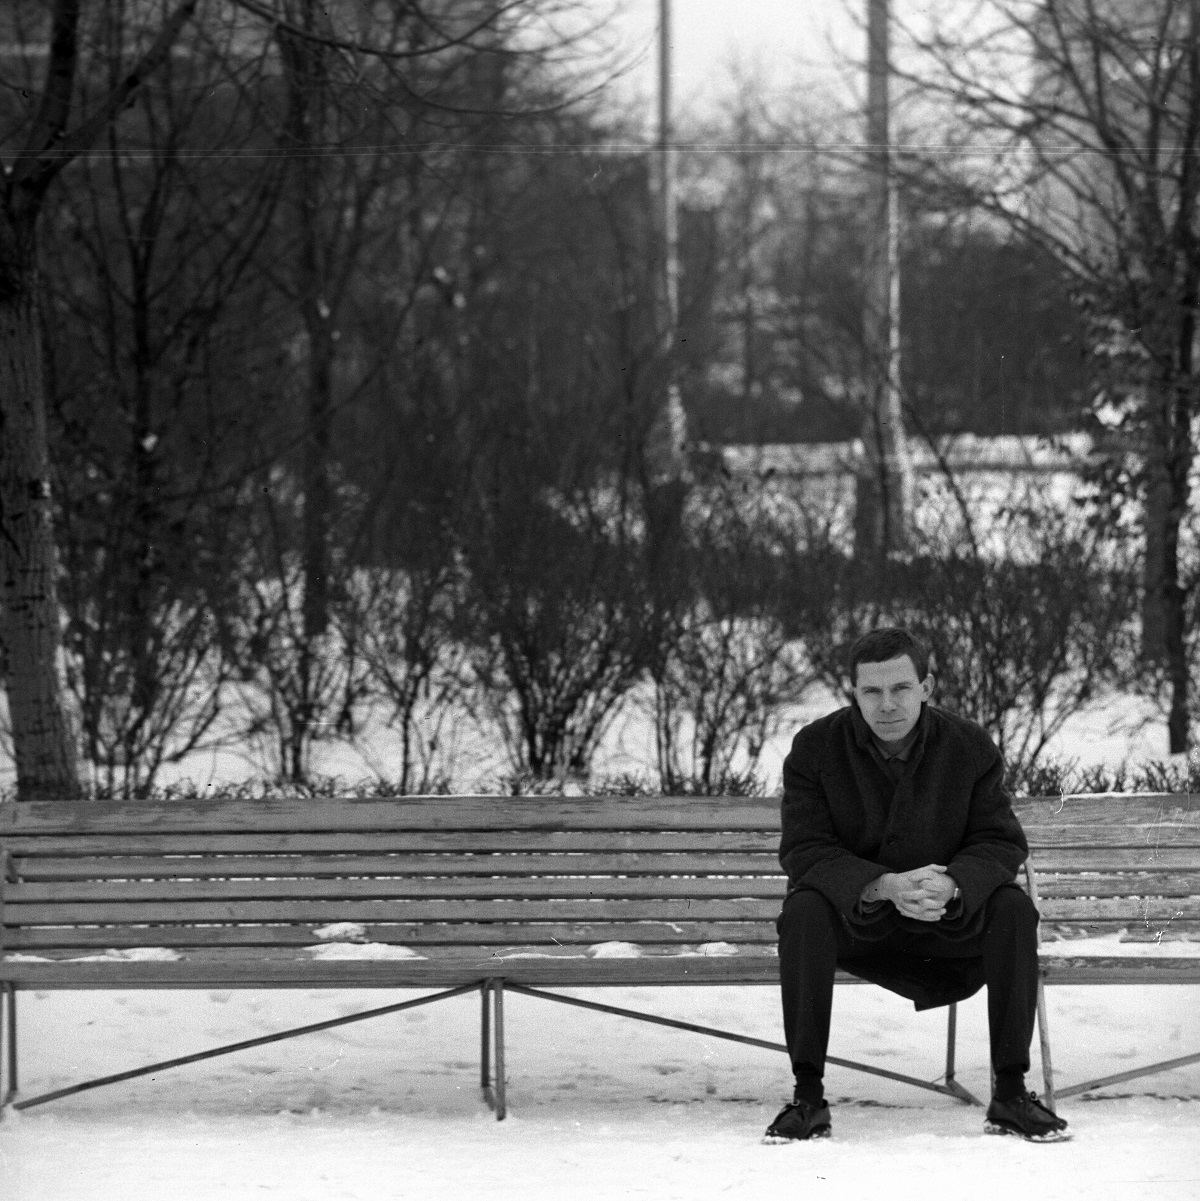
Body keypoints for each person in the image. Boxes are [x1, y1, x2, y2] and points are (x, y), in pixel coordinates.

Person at [766, 626, 1069, 1143]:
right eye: (872, 691)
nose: (887, 704)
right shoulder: (816, 748)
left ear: (926, 687)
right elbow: (803, 850)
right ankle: (807, 1097)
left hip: (946, 922)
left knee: (1014, 910)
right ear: (854, 694)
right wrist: (880, 885)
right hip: (861, 924)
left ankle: (1011, 1094)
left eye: (901, 688)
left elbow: (1000, 842)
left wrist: (954, 884)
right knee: (804, 912)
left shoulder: (968, 745)